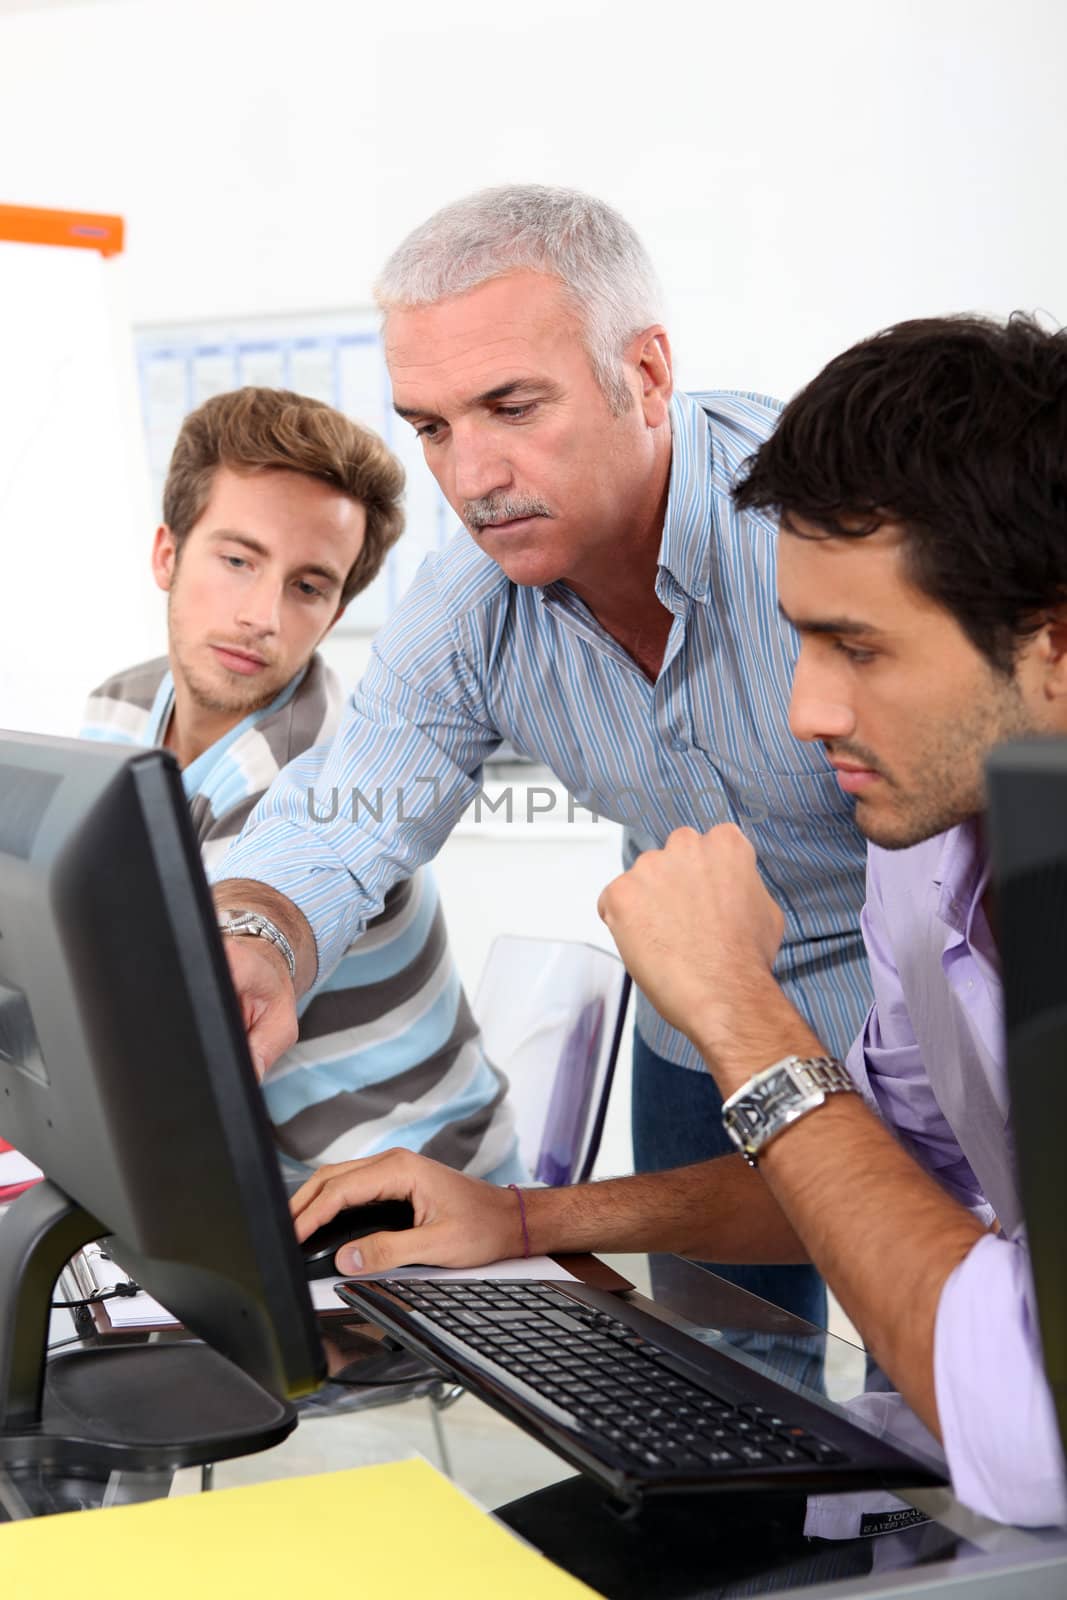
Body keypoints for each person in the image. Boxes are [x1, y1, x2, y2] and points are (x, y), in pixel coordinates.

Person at [287, 313, 1067, 1527]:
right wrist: (527, 1219)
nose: (804, 709)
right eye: (799, 638)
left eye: (856, 648)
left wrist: (742, 1013)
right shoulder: (924, 862)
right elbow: (896, 1166)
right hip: (926, 1450)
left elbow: (1023, 1438)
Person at [212, 185, 876, 1326]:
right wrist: (260, 934)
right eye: (429, 427)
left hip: (913, 1015)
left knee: (945, 1402)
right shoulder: (469, 605)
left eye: (512, 407)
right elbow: (352, 807)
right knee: (727, 1401)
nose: (469, 478)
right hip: (698, 1041)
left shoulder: (830, 520)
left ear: (648, 376)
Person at [82, 387, 522, 1184]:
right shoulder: (120, 706)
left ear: (334, 612)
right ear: (167, 554)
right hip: (243, 1174)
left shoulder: (311, 775)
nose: (262, 615)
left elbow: (137, 1033)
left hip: (410, 1207)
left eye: (308, 586)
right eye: (238, 559)